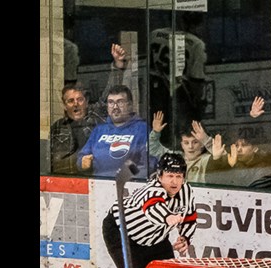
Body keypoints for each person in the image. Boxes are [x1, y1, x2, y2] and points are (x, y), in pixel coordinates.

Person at [101, 152, 196, 268]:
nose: (175, 181)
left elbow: (190, 216)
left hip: (156, 239)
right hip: (122, 235)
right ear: (160, 176)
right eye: (170, 175)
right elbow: (152, 208)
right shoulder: (152, 190)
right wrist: (168, 218)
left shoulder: (186, 192)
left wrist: (185, 237)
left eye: (178, 176)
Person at [50, 43, 130, 174]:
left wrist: (118, 65)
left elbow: (109, 94)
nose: (76, 104)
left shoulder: (96, 115)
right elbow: (53, 163)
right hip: (69, 182)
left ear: (86, 102)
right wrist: (79, 162)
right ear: (64, 105)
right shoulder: (57, 128)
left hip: (101, 177)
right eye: (70, 101)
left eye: (80, 99)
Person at [149, 11, 208, 147]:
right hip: (179, 92)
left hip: (155, 91)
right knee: (185, 132)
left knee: (160, 131)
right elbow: (196, 81)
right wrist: (197, 103)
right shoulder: (196, 44)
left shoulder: (155, 34)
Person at [77, 84, 152, 177]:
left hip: (129, 186)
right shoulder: (99, 130)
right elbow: (82, 158)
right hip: (99, 186)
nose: (115, 107)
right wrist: (82, 163)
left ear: (129, 105)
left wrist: (128, 175)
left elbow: (150, 164)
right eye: (111, 102)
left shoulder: (141, 129)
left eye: (120, 102)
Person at [148, 112, 222, 184]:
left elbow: (222, 158)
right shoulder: (175, 157)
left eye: (195, 142)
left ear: (202, 144)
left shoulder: (206, 159)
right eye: (186, 143)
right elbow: (152, 149)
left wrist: (206, 140)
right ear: (182, 145)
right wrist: (155, 132)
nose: (190, 146)